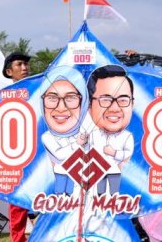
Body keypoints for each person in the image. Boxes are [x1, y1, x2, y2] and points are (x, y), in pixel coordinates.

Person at [84, 65, 134, 195]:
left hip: (115, 173)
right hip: (97, 173)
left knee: (115, 195)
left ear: (132, 104)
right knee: (99, 195)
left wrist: (114, 153)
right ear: (89, 105)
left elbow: (127, 154)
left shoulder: (127, 136)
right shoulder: (93, 134)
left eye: (123, 100)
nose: (115, 108)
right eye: (105, 100)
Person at [40, 67, 88, 195]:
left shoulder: (87, 132)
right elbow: (61, 155)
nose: (61, 108)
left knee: (71, 193)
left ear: (83, 102)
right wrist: (79, 143)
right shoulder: (47, 137)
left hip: (80, 184)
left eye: (71, 98)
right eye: (52, 98)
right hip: (60, 173)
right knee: (61, 193)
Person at [3, 51, 32, 242]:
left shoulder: (38, 90)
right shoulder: (3, 95)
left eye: (26, 64)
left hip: (40, 153)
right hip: (16, 155)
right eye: (19, 64)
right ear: (9, 71)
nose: (24, 68)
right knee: (17, 203)